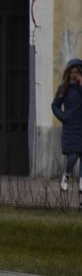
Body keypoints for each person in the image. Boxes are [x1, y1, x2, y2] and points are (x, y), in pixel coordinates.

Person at [52, 58, 82, 193]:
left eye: (77, 72)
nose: (74, 75)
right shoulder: (63, 88)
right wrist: (62, 116)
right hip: (71, 126)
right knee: (73, 156)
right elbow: (55, 105)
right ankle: (66, 175)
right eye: (72, 72)